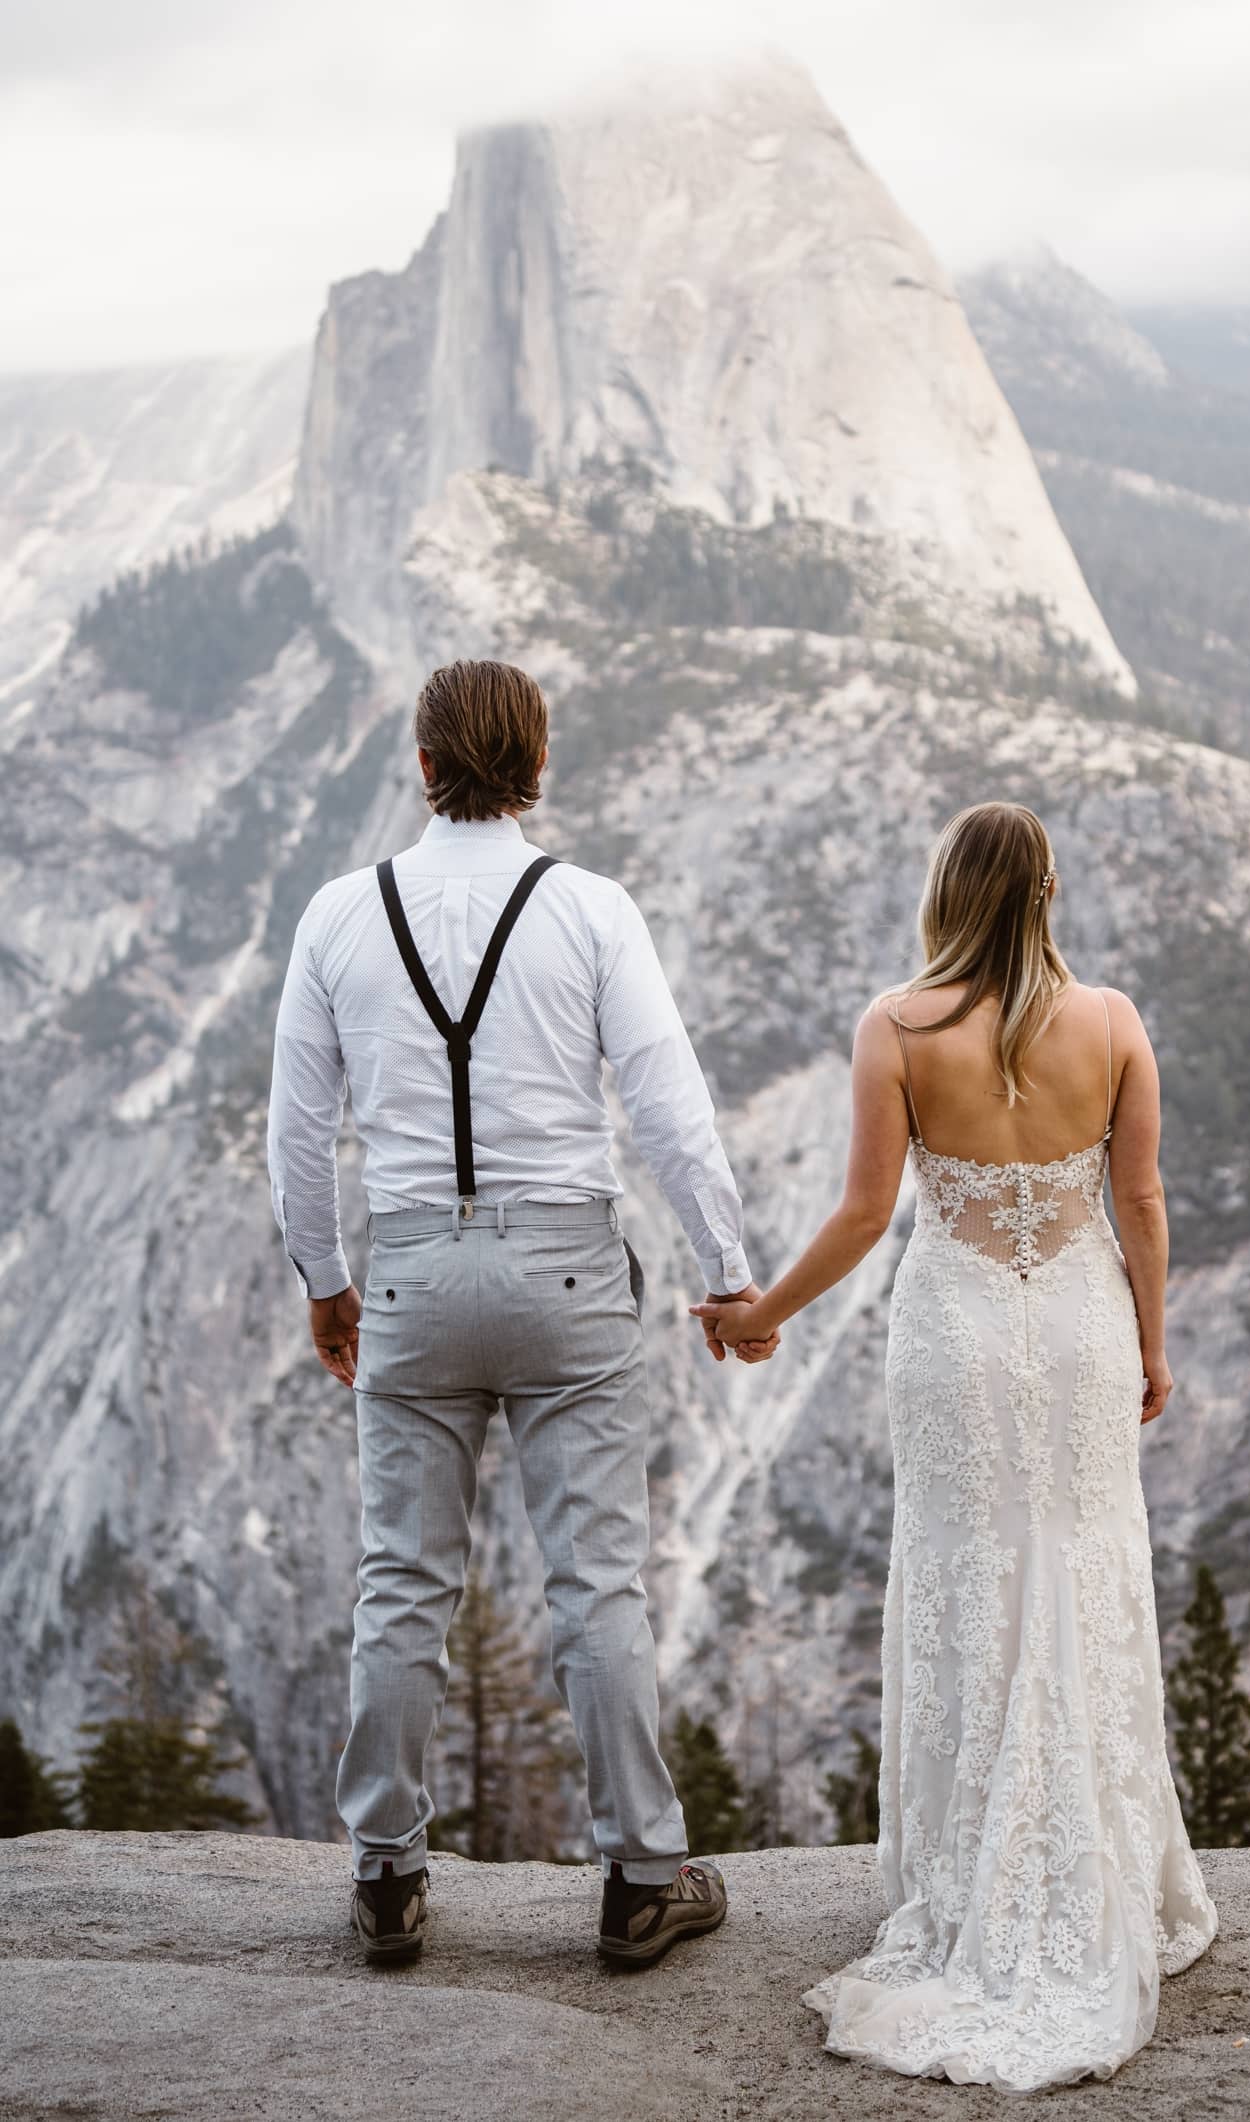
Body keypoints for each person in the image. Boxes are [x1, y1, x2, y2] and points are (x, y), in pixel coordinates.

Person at [695, 801, 1217, 2091]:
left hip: (957, 1338)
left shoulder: (898, 1026)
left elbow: (869, 1209)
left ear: (945, 893)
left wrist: (762, 1314)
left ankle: (963, 1874)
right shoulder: (1113, 1024)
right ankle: (1103, 1880)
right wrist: (1153, 1346)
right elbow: (1139, 1201)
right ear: (1044, 891)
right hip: (1085, 1326)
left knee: (970, 1576)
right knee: (1084, 1569)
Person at [267, 658, 775, 1967]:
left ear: (424, 768)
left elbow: (297, 1129)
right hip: (565, 1274)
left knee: (402, 1577)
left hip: (414, 1273)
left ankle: (386, 1872)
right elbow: (670, 1102)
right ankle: (640, 1876)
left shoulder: (336, 916)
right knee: (597, 1575)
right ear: (536, 771)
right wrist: (728, 1269)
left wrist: (327, 1282)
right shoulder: (592, 909)